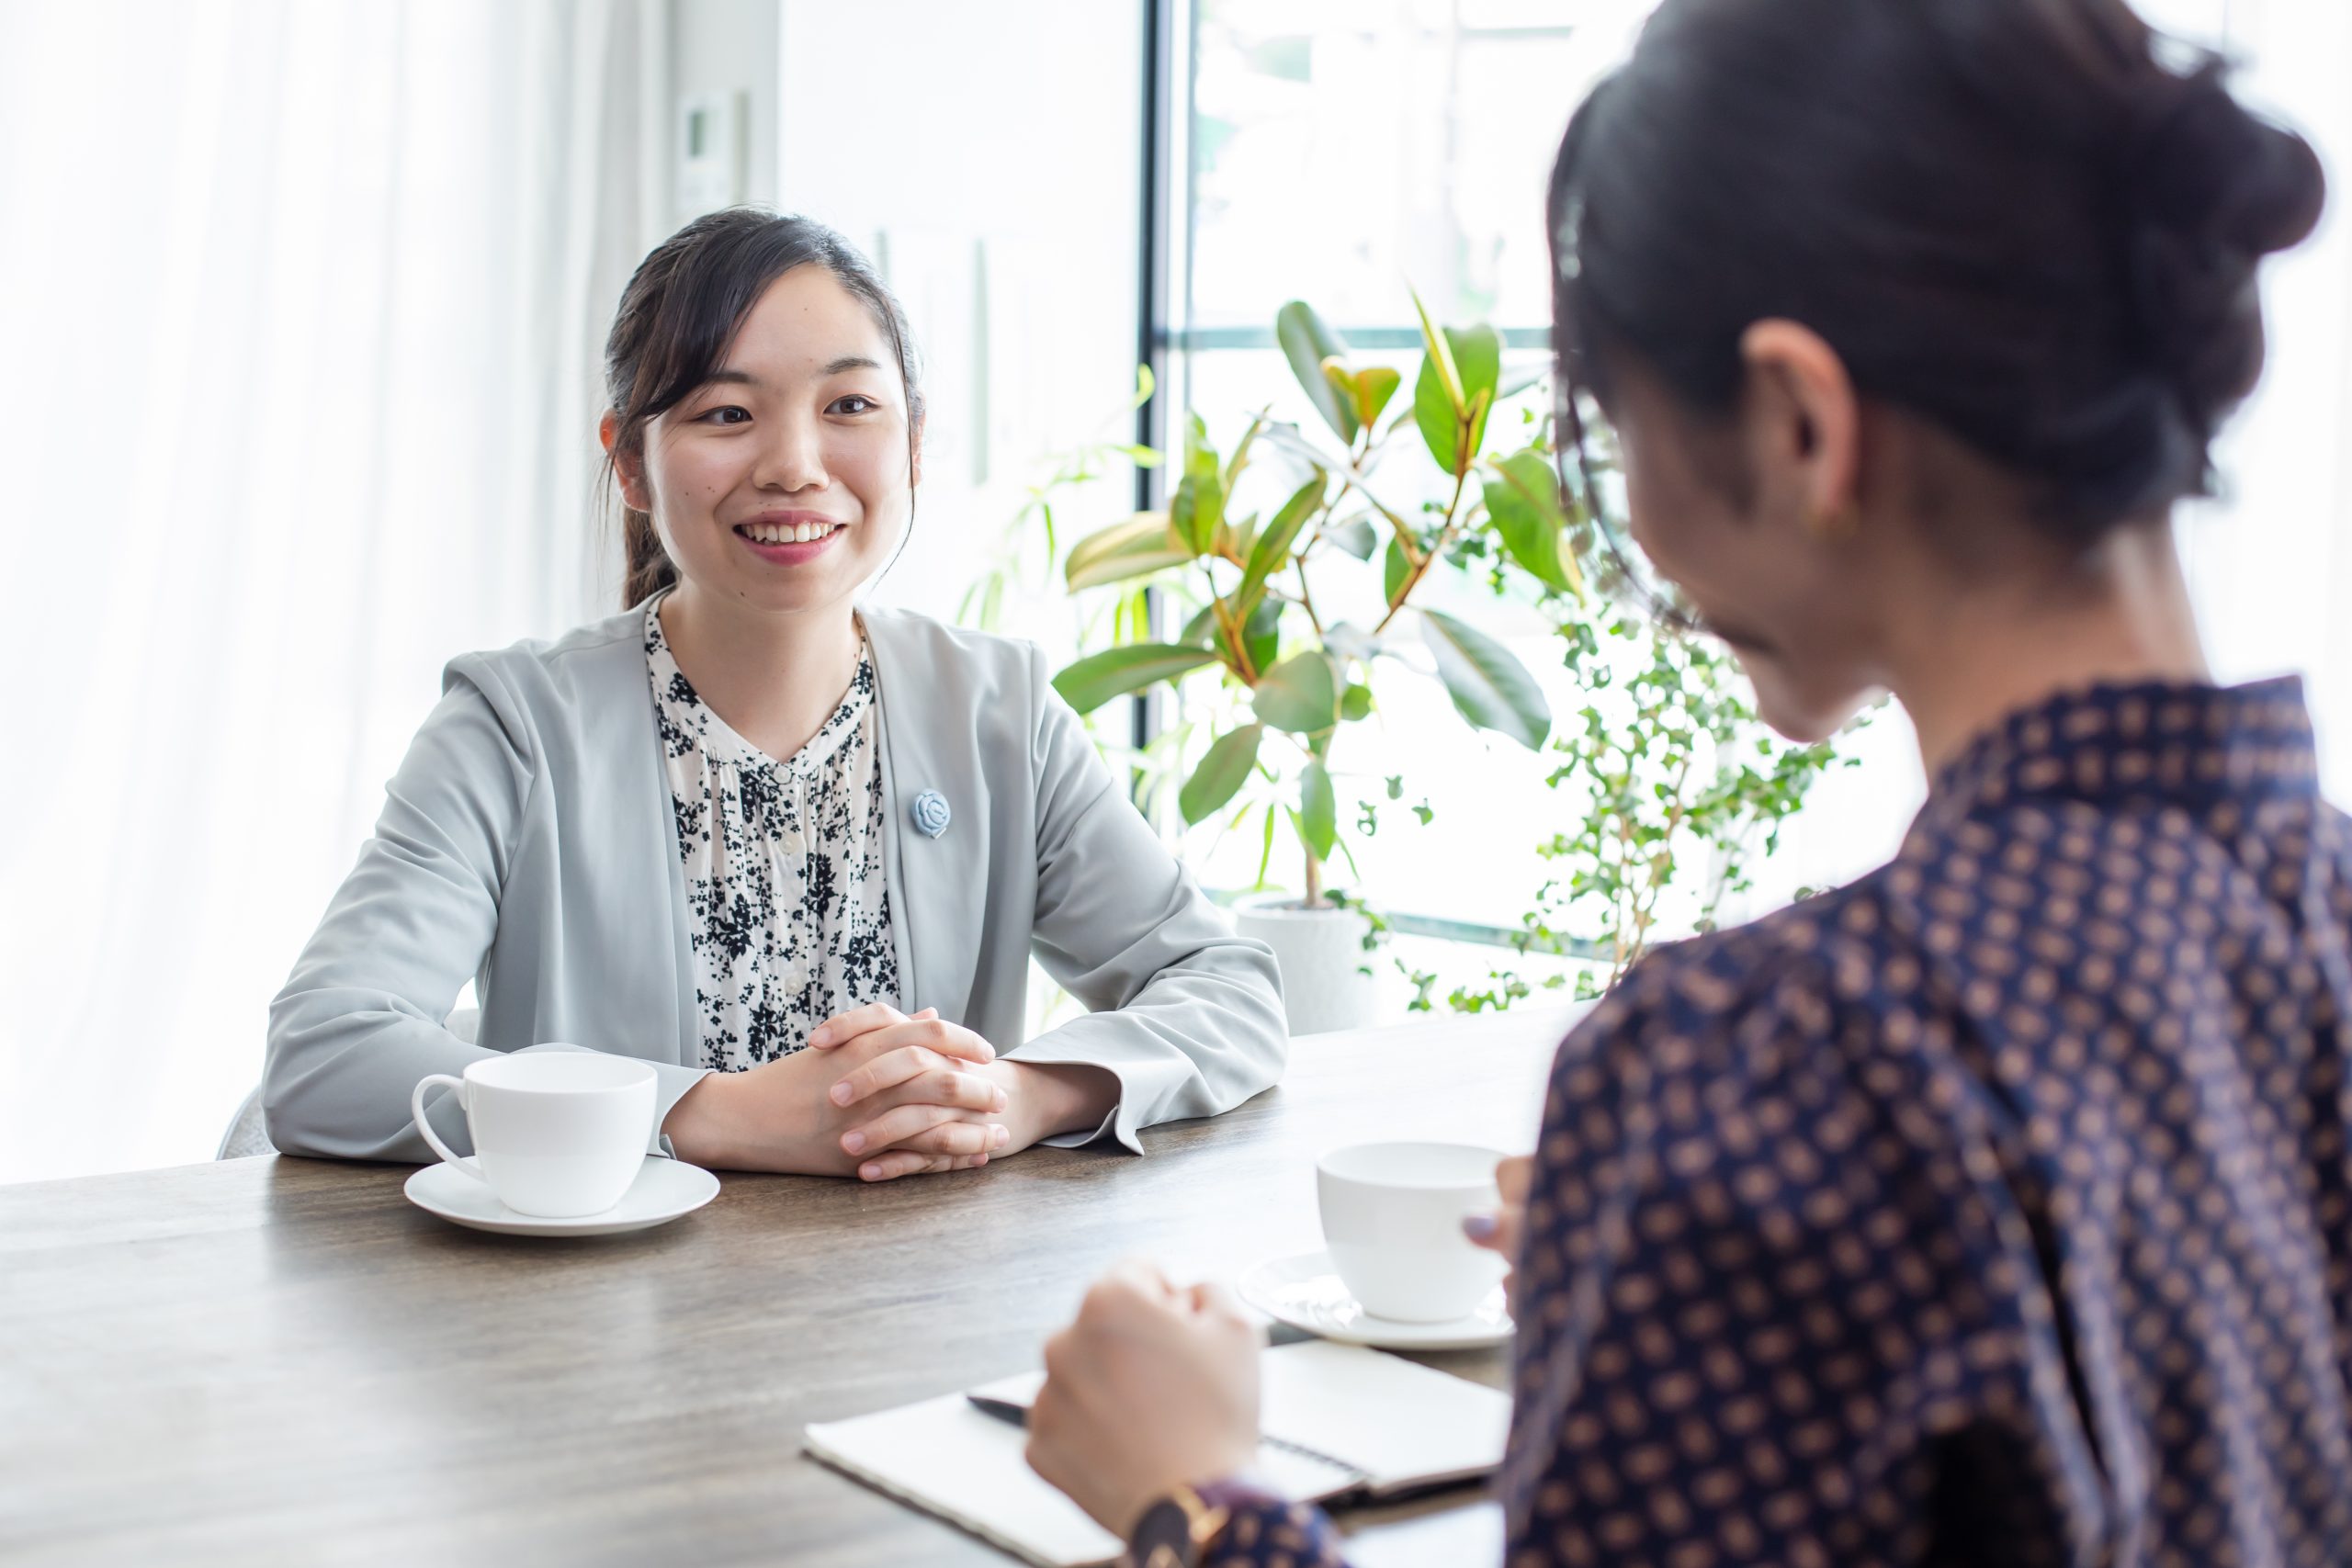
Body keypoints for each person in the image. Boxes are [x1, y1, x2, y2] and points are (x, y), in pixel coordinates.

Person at [1023, 0, 2350, 1561]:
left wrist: (1197, 1501)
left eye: (1613, 433)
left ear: (1798, 423)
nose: (1634, 528)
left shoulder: (1773, 1068)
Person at [264, 210, 1286, 1181]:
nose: (794, 466)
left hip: (924, 1310)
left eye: (848, 407)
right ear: (630, 462)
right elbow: (325, 1054)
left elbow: (1228, 991)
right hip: (594, 1326)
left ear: (914, 443)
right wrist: (711, 1115)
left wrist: (1017, 1096)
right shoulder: (513, 725)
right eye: (725, 413)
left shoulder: (998, 713)